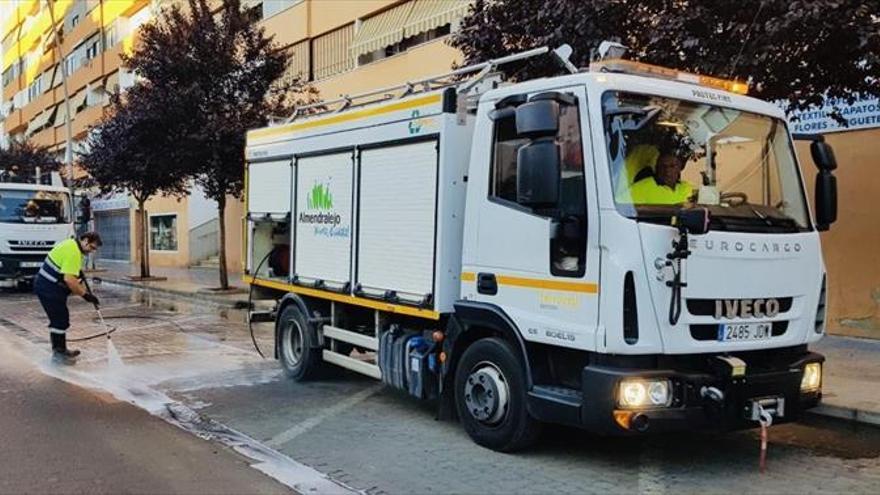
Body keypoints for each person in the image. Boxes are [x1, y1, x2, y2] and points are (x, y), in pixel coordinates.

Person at [33, 232, 103, 364]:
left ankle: (61, 350)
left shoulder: (72, 246)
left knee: (60, 318)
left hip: (49, 286)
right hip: (48, 288)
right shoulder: (73, 252)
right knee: (59, 318)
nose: (92, 251)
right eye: (92, 248)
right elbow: (70, 280)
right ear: (85, 241)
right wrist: (86, 295)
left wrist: (82, 285)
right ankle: (59, 353)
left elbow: (74, 277)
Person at [628, 153, 694, 204]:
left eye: (672, 166)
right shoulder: (640, 188)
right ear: (657, 168)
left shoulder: (687, 188)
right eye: (663, 166)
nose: (667, 170)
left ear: (679, 168)